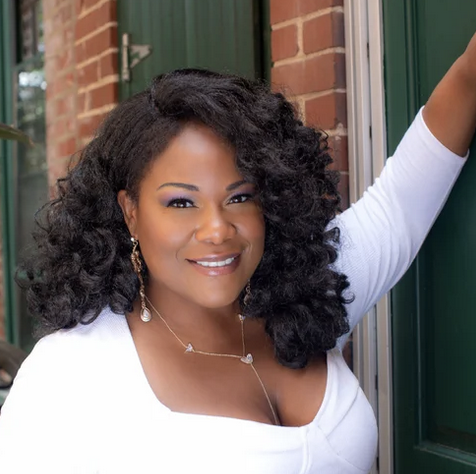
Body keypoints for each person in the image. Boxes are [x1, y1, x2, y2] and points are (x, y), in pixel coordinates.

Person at [0, 32, 475, 474]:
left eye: (240, 196)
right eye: (181, 202)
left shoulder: (310, 291)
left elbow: (402, 202)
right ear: (131, 212)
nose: (217, 230)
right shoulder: (69, 374)